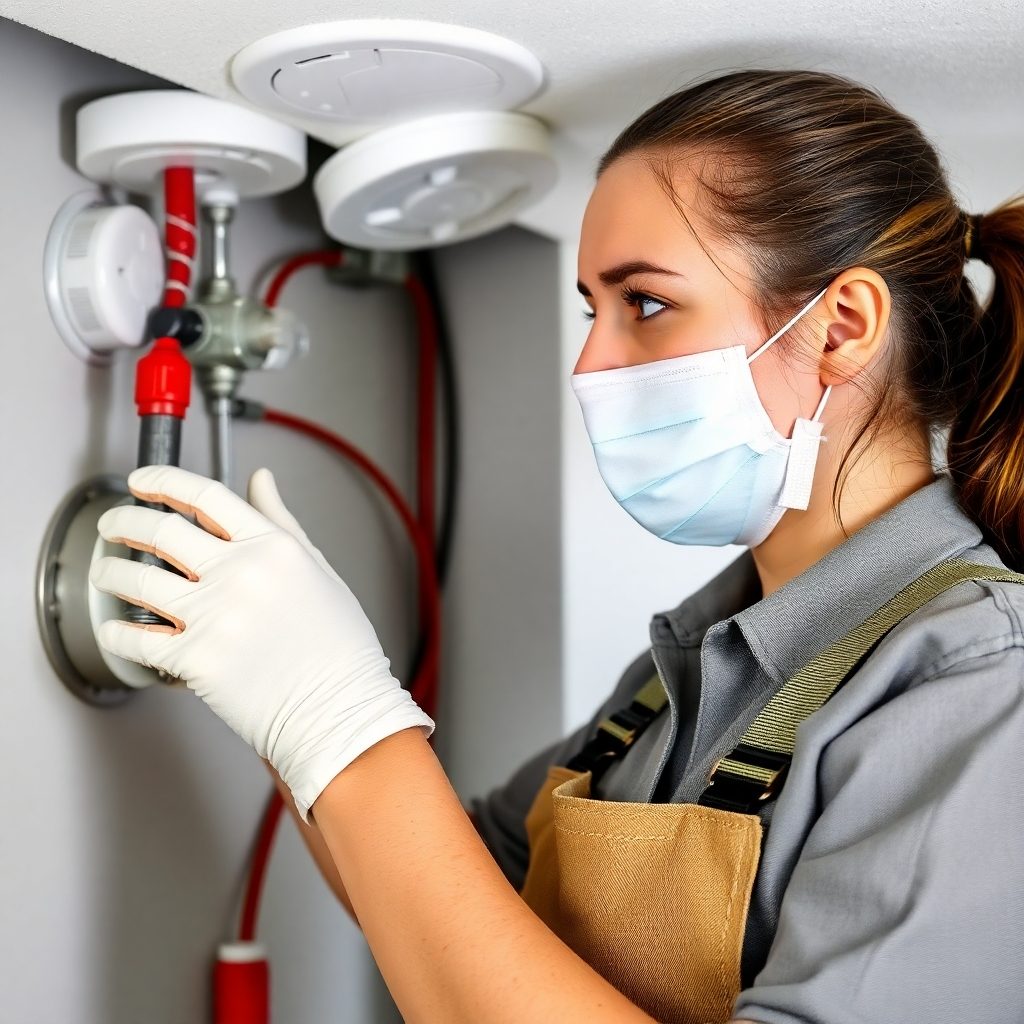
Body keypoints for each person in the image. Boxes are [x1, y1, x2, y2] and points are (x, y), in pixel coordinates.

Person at [90, 69, 1024, 1024]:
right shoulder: (685, 670)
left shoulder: (981, 682)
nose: (590, 363)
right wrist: (283, 693)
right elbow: (456, 905)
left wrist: (339, 716)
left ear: (842, 329)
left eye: (646, 305)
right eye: (592, 310)